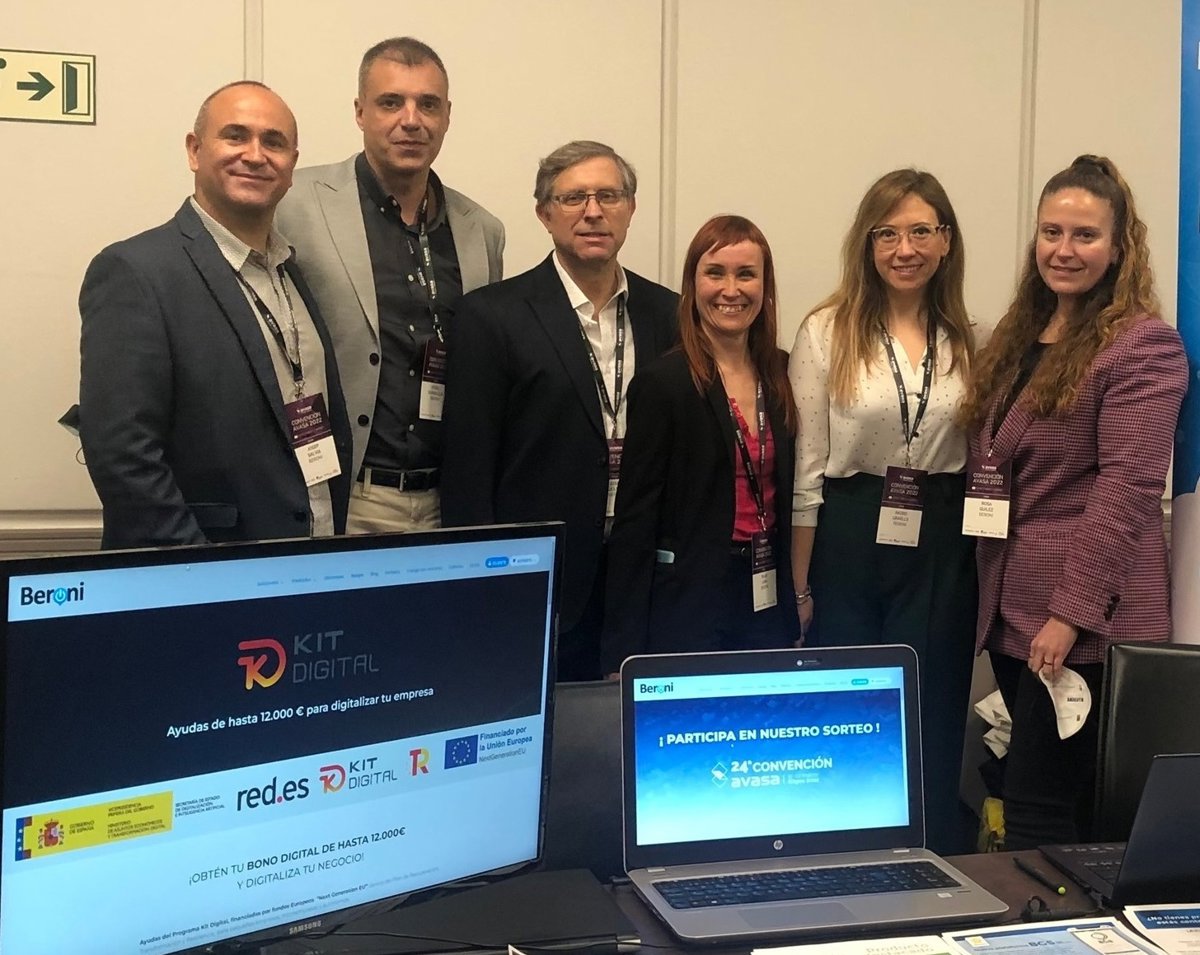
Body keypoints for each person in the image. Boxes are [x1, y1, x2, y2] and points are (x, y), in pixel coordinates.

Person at [959, 154, 1187, 849]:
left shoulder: (1142, 346)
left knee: (1041, 807)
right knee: (1032, 795)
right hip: (1013, 610)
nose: (1064, 249)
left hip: (1083, 622)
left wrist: (1069, 615)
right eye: (1051, 232)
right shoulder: (1019, 335)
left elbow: (1127, 491)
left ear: (1119, 247)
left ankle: (1046, 915)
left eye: (1085, 235)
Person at [441, 140, 678, 681]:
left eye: (608, 196)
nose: (593, 212)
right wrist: (479, 583)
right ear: (544, 214)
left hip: (641, 580)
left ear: (631, 209)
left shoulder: (668, 313)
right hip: (537, 580)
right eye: (573, 198)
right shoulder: (491, 316)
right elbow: (469, 471)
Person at [789, 169, 976, 853]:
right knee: (852, 704)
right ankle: (841, 855)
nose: (905, 248)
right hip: (851, 529)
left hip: (943, 533)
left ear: (946, 240)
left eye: (921, 231)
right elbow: (808, 468)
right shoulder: (827, 330)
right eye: (887, 233)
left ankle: (930, 857)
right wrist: (801, 586)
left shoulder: (970, 338)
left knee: (934, 698)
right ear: (867, 244)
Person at [79, 81, 352, 549]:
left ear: (291, 166)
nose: (255, 155)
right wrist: (202, 571)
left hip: (308, 555)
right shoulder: (135, 271)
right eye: (235, 136)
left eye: (274, 142)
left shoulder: (291, 272)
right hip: (202, 568)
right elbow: (124, 457)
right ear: (194, 150)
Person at [277, 37, 504, 533]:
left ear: (447, 116)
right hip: (345, 495)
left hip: (448, 501)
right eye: (390, 102)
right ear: (360, 112)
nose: (411, 120)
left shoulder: (482, 231)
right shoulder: (293, 204)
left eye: (428, 104)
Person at [602, 216, 799, 675]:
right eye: (715, 273)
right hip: (690, 599)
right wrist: (621, 649)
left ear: (765, 286)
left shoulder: (784, 374)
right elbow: (635, 521)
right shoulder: (663, 383)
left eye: (746, 274)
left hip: (765, 589)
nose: (731, 290)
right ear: (693, 285)